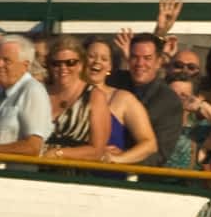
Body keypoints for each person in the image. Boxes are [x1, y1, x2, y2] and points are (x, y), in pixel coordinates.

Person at [82, 38, 160, 166]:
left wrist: (116, 159)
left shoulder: (123, 99)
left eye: (104, 59)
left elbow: (150, 144)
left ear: (110, 67)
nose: (97, 61)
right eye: (91, 56)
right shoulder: (65, 93)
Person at [111, 31, 183, 168]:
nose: (140, 63)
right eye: (134, 57)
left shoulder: (169, 101)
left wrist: (122, 158)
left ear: (158, 62)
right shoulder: (114, 81)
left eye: (147, 58)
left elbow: (160, 155)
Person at [0, 34, 52, 160]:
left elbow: (33, 147)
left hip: (10, 175)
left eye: (6, 60)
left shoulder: (32, 91)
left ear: (25, 65)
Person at [41, 36, 113, 161]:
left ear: (81, 64)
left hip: (73, 171)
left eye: (70, 63)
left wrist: (58, 153)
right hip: (32, 167)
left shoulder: (94, 97)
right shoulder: (40, 92)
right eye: (56, 63)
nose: (63, 68)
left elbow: (97, 150)